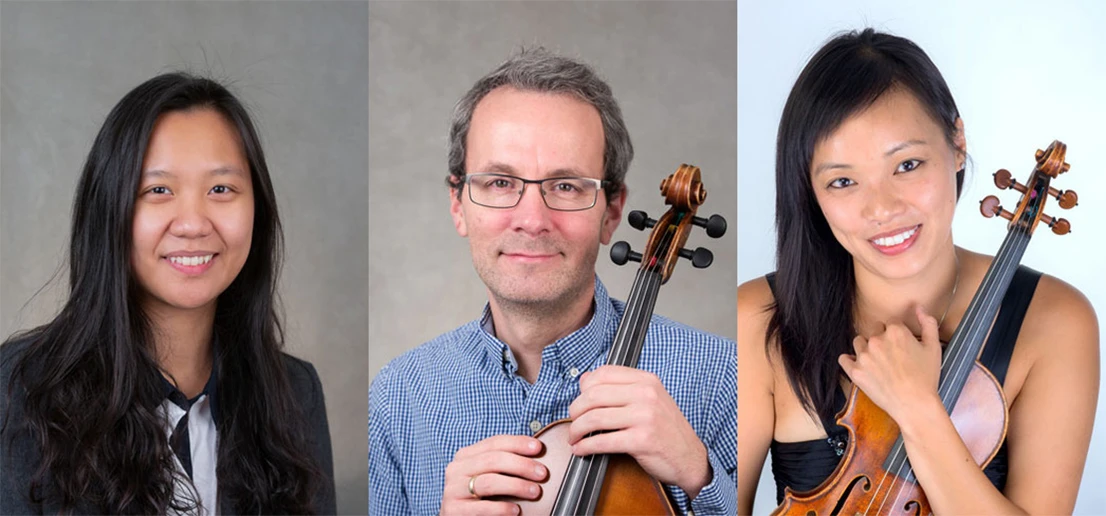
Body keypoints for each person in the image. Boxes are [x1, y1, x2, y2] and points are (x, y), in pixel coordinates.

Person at [737, 28, 1099, 514]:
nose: (882, 208)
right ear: (811, 191)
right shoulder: (757, 319)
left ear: (956, 142)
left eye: (906, 165)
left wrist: (918, 410)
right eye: (843, 181)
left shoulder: (1055, 322)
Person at [369, 48, 736, 515]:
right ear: (459, 204)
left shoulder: (723, 378)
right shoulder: (398, 396)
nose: (531, 219)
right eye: (500, 182)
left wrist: (697, 475)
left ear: (612, 213)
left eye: (566, 186)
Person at [0, 73, 336, 514]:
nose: (194, 223)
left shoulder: (294, 393)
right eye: (158, 190)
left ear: (258, 208)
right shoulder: (19, 391)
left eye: (221, 189)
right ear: (111, 209)